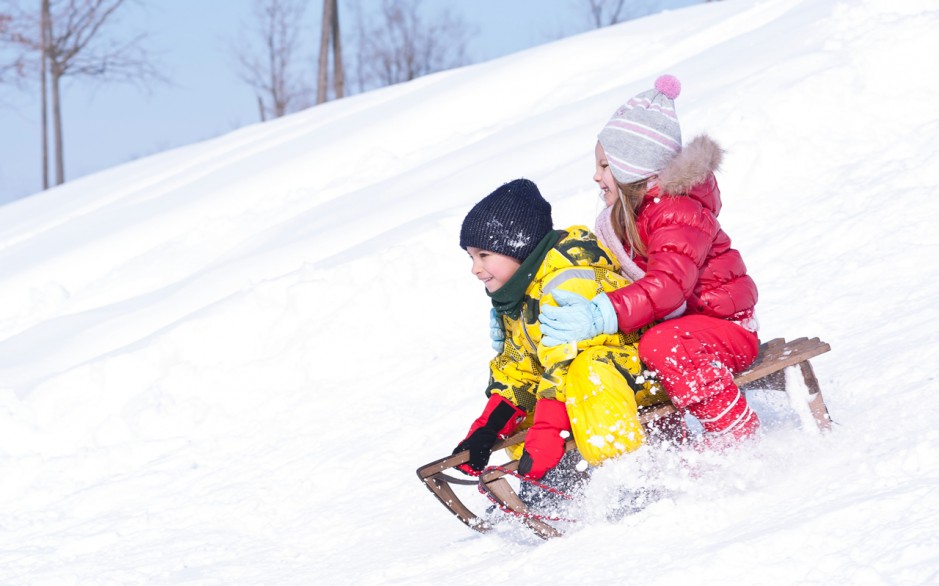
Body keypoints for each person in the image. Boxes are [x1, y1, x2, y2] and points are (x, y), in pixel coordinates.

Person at [539, 75, 762, 445]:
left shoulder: (676, 211)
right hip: (689, 328)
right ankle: (669, 449)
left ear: (632, 168)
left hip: (726, 329)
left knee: (659, 345)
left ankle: (735, 434)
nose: (596, 176)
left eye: (605, 166)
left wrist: (601, 314)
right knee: (630, 350)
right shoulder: (632, 216)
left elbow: (668, 287)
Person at [452, 178, 673, 481]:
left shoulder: (566, 283)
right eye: (471, 257)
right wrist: (487, 430)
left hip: (643, 375)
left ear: (518, 246)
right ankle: (554, 481)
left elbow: (567, 364)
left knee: (587, 371)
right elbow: (520, 371)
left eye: (483, 255)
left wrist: (547, 432)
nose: (475, 269)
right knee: (524, 413)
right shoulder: (516, 297)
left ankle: (625, 475)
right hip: (596, 387)